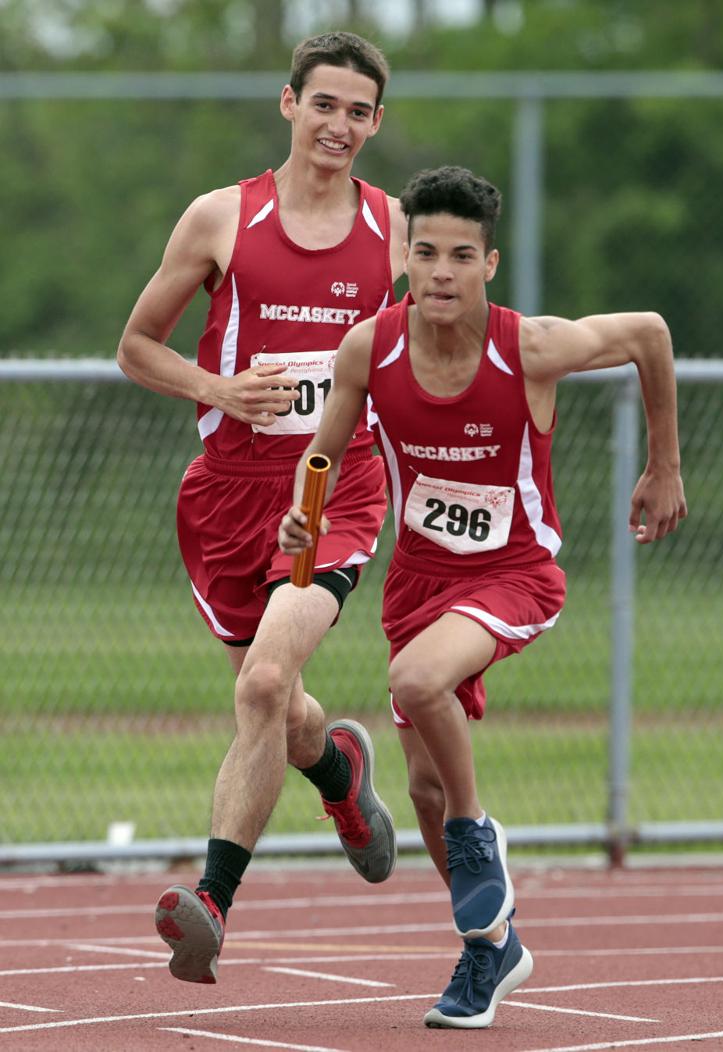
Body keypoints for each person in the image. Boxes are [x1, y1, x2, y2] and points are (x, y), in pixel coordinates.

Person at [279, 165, 687, 1027]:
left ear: (489, 265)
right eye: (424, 252)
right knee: (421, 787)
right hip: (419, 583)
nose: (439, 273)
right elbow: (324, 451)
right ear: (403, 256)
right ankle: (489, 952)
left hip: (515, 574)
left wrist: (664, 464)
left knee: (417, 684)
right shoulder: (368, 348)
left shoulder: (529, 346)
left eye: (460, 256)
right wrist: (303, 521)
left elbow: (650, 331)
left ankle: (477, 834)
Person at [116, 31, 406, 985]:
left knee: (259, 686)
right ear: (289, 104)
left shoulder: (396, 230)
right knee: (279, 707)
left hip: (335, 491)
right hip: (226, 499)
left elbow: (453, 339)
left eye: (359, 111)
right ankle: (340, 773)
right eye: (324, 104)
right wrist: (221, 390)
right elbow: (137, 347)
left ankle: (210, 902)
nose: (340, 125)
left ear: (374, 123)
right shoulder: (221, 219)